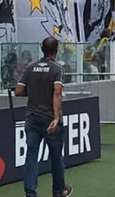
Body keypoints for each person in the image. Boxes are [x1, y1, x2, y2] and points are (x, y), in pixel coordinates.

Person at [15, 37, 72, 197]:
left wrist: (32, 91)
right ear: (57, 49)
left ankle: (30, 193)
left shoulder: (30, 67)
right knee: (56, 157)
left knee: (31, 156)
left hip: (32, 118)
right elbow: (57, 93)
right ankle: (58, 191)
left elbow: (18, 91)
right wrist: (55, 118)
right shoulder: (56, 69)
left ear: (42, 48)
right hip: (49, 119)